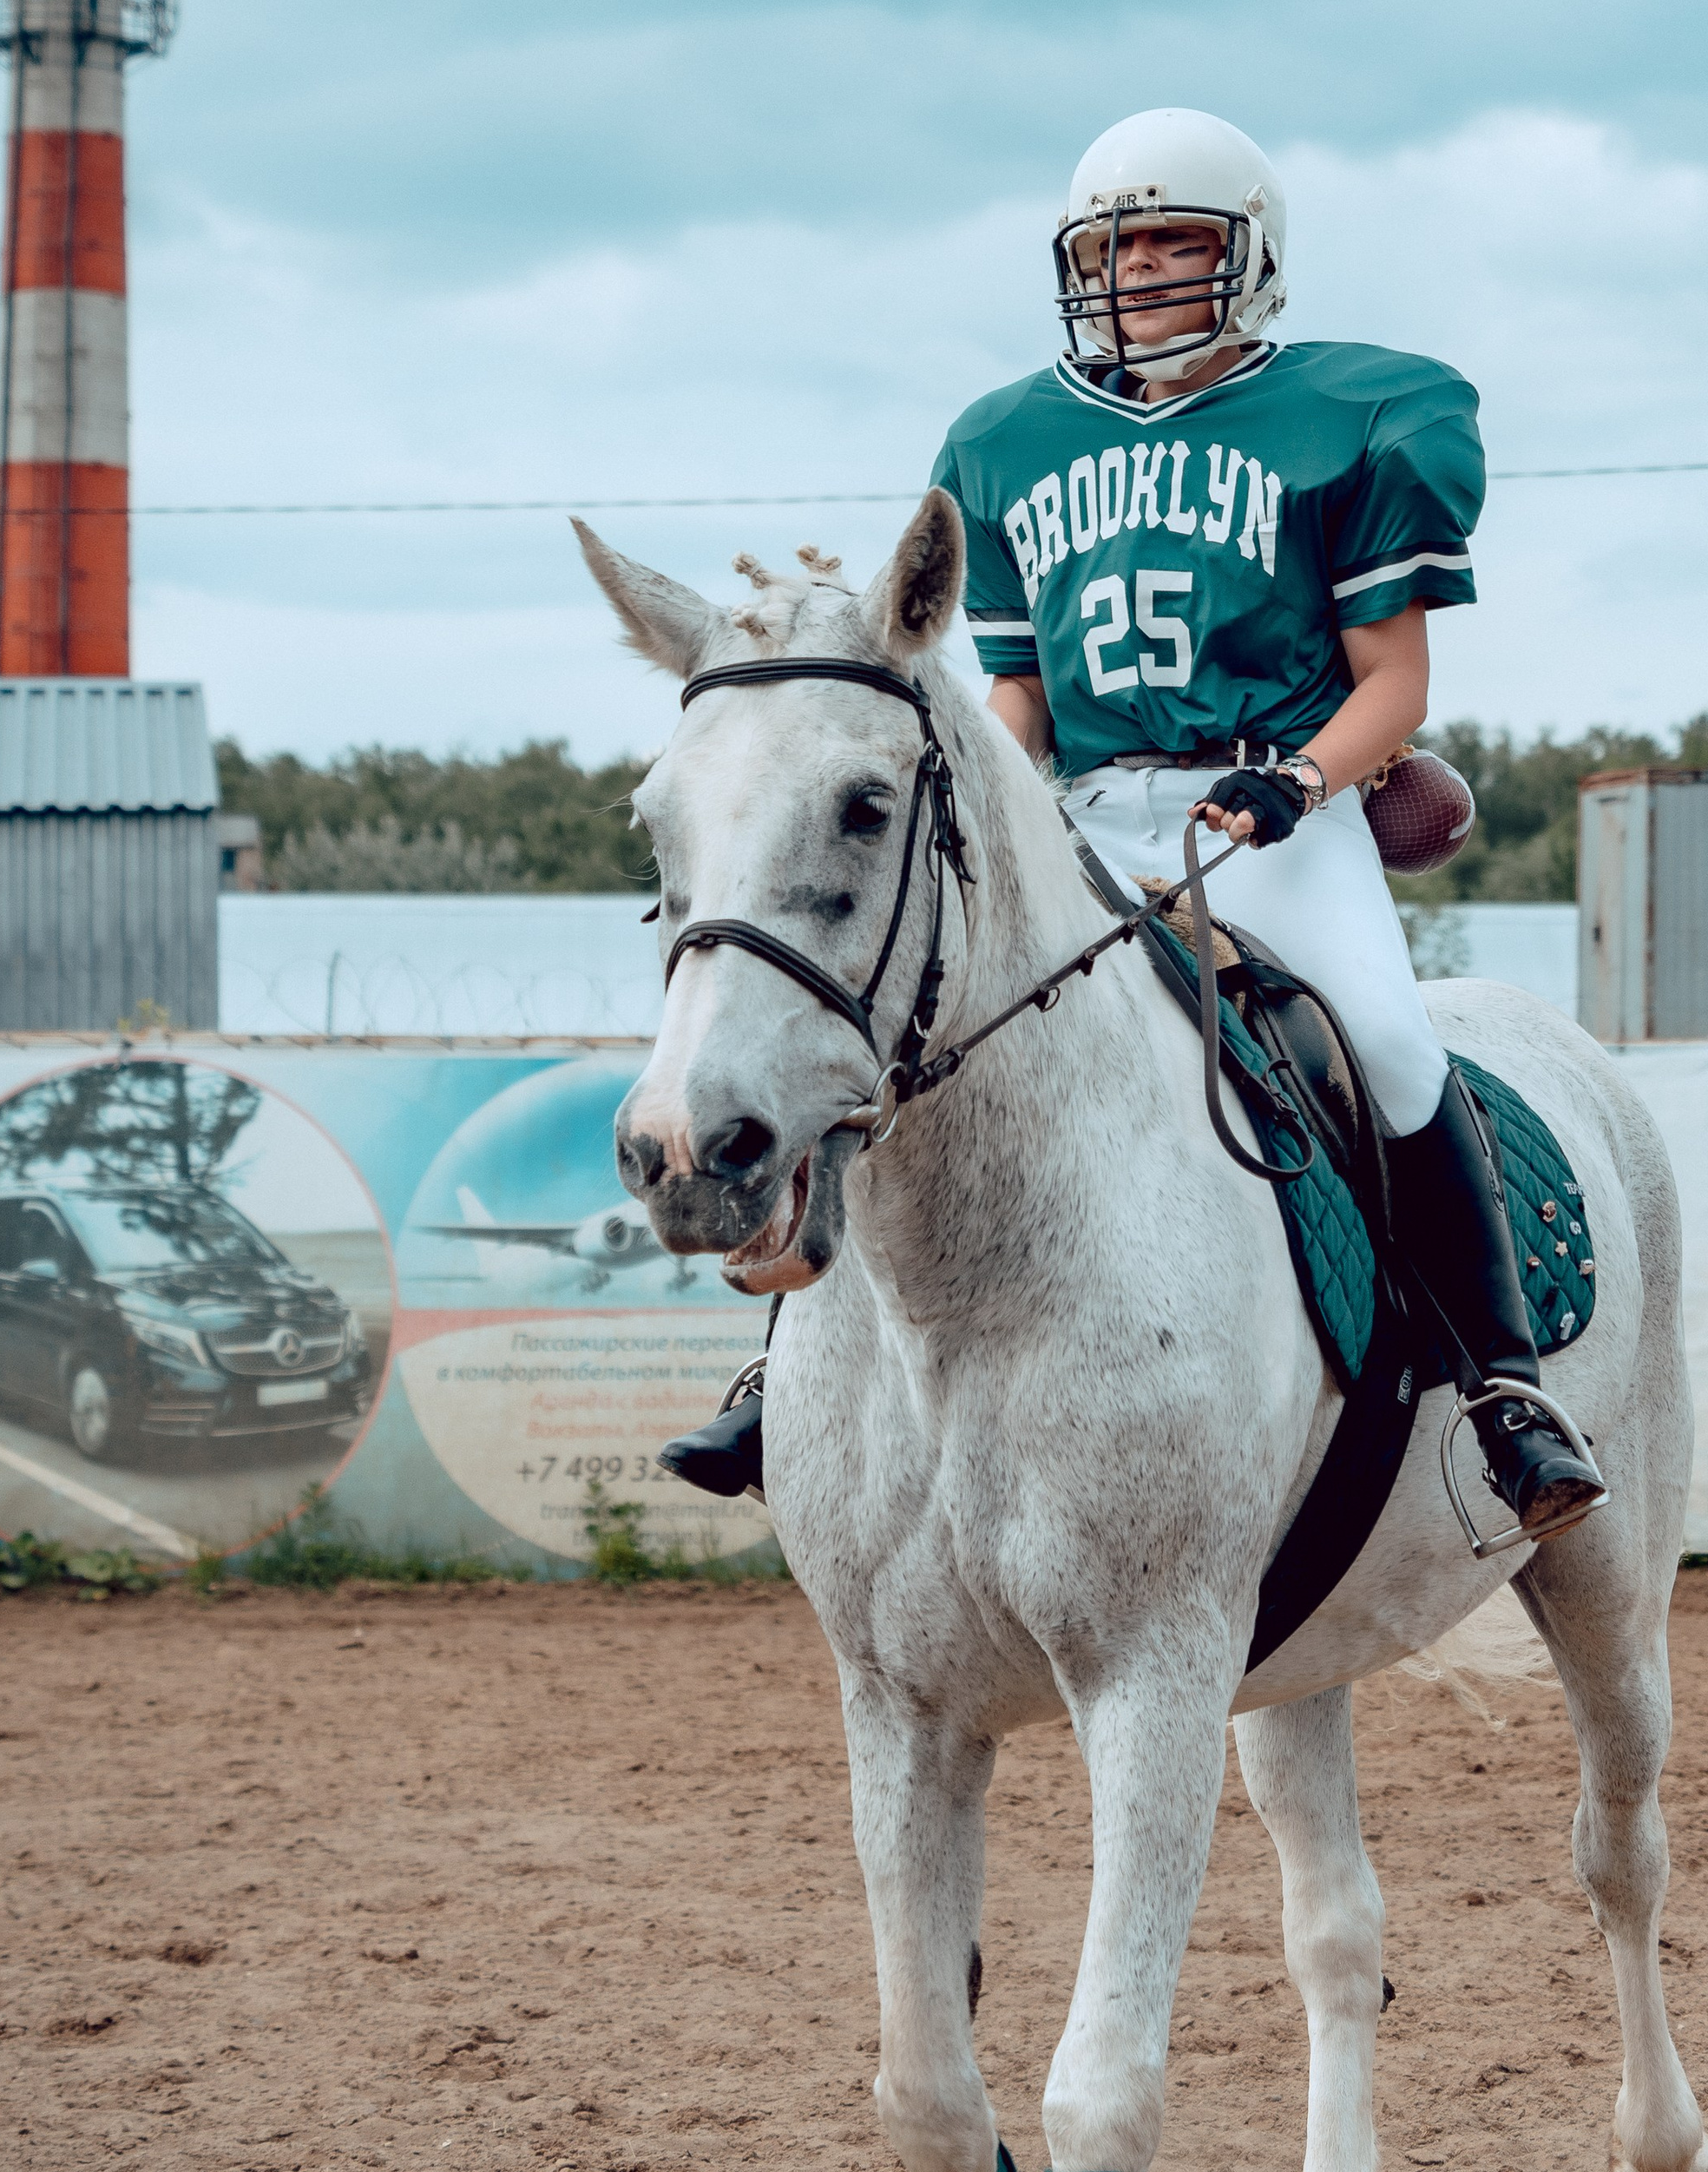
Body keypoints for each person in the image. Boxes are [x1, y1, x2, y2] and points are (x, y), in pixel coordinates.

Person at [667, 106, 1603, 1545]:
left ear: (1254, 256)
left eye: (1176, 239)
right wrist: (981, 797)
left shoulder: (1356, 414)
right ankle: (781, 1366)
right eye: (1113, 245)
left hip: (1273, 811)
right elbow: (1017, 693)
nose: (1141, 271)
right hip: (1078, 815)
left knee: (1389, 1036)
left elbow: (1396, 685)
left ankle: (1504, 1389)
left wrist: (1300, 780)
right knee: (910, 1041)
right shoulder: (1005, 437)